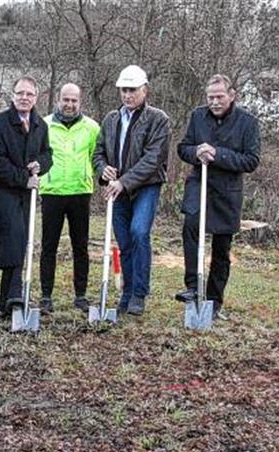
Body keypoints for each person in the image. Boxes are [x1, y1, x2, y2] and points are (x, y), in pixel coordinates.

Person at [174, 74, 260, 318]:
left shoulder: (248, 123)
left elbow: (251, 160)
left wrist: (218, 154)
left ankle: (214, 301)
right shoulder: (197, 116)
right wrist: (196, 152)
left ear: (231, 95)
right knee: (190, 228)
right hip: (198, 185)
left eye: (219, 97)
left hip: (227, 192)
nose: (214, 102)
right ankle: (192, 285)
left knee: (222, 249)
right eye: (210, 97)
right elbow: (183, 148)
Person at [92, 65, 171, 316]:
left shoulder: (158, 120)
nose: (128, 95)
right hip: (117, 189)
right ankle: (126, 293)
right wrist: (103, 169)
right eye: (124, 90)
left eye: (133, 90)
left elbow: (153, 159)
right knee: (124, 241)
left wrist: (124, 181)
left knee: (138, 233)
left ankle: (139, 293)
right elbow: (99, 152)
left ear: (144, 90)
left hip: (145, 187)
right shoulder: (111, 119)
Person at [0, 75, 52, 318]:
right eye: (20, 93)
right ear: (12, 96)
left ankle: (7, 302)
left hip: (24, 195)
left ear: (36, 98)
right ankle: (15, 293)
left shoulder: (40, 125)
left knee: (19, 240)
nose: (24, 98)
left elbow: (47, 154)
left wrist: (39, 165)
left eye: (29, 94)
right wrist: (25, 178)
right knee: (14, 235)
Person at [39, 83, 100, 314]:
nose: (69, 104)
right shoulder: (44, 125)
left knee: (80, 246)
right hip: (52, 192)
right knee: (48, 246)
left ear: (80, 102)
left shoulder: (92, 127)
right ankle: (46, 296)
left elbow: (96, 156)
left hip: (80, 193)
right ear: (58, 99)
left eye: (74, 100)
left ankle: (81, 295)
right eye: (66, 99)